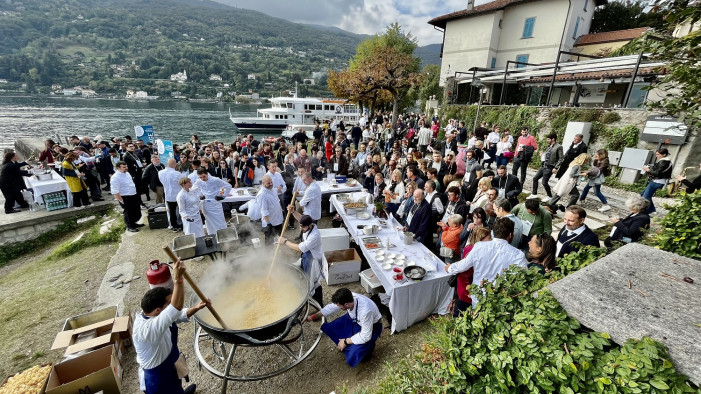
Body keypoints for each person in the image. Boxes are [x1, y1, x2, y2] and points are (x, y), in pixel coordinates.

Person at [133, 258, 209, 394]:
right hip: (158, 378)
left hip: (169, 364)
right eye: (167, 304)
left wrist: (197, 307)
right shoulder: (147, 330)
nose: (169, 306)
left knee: (176, 386)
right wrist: (178, 279)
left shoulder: (154, 315)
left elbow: (178, 314)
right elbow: (175, 308)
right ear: (158, 310)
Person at [445, 217, 528, 305]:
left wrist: (450, 268)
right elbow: (524, 278)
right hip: (502, 300)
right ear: (511, 235)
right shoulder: (518, 255)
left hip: (479, 297)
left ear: (493, 233)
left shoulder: (479, 246)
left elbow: (464, 265)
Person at [307, 288, 382, 368]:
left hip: (371, 327)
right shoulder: (349, 297)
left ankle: (368, 349)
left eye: (339, 305)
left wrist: (346, 341)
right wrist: (312, 317)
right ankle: (347, 346)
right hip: (354, 320)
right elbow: (331, 307)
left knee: (355, 353)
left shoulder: (365, 311)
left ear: (346, 305)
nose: (338, 307)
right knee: (332, 328)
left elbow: (366, 336)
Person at [278, 214, 323, 306]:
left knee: (314, 283)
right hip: (306, 256)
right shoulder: (308, 224)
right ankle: (307, 298)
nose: (301, 229)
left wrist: (285, 241)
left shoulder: (314, 236)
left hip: (313, 260)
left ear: (310, 225)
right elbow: (300, 218)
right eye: (300, 226)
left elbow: (299, 248)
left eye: (303, 227)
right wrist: (293, 211)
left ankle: (319, 305)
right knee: (305, 278)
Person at [452, 227, 491, 316]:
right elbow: (465, 268)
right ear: (481, 238)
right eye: (489, 238)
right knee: (462, 307)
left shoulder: (470, 247)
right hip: (468, 285)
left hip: (465, 284)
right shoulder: (474, 250)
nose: (491, 240)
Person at [193, 168, 231, 235]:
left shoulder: (215, 179)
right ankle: (212, 235)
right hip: (205, 204)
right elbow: (194, 189)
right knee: (208, 222)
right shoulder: (198, 181)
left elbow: (228, 186)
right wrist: (200, 195)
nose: (202, 178)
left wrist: (222, 195)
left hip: (215, 203)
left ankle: (223, 235)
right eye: (200, 177)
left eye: (204, 176)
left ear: (207, 174)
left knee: (220, 220)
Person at [111, 161, 143, 232]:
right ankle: (130, 226)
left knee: (137, 211)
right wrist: (121, 200)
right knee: (128, 213)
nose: (126, 168)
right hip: (125, 197)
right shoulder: (115, 177)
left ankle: (134, 223)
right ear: (118, 168)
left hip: (133, 194)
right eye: (124, 167)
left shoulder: (127, 173)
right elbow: (115, 191)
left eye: (126, 167)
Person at [641, 148, 673, 214]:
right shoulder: (664, 161)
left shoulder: (664, 162)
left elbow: (657, 173)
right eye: (656, 154)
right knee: (643, 194)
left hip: (658, 181)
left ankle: (645, 212)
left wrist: (648, 170)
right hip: (657, 181)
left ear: (664, 154)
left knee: (645, 197)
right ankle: (651, 210)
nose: (657, 156)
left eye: (658, 154)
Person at [531, 133, 563, 199]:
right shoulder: (549, 146)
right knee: (535, 178)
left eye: (548, 139)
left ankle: (549, 196)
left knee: (544, 182)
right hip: (544, 166)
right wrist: (543, 154)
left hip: (550, 166)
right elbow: (548, 154)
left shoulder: (559, 147)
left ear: (553, 139)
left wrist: (556, 167)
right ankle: (534, 194)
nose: (547, 140)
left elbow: (561, 158)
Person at [259, 174, 284, 245]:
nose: (270, 184)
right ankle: (268, 254)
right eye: (268, 183)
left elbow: (276, 190)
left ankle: (278, 252)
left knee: (278, 239)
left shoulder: (272, 189)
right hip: (270, 222)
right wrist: (268, 224)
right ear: (263, 183)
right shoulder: (262, 195)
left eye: (271, 182)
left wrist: (281, 186)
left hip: (278, 220)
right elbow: (264, 210)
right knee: (269, 241)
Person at [159, 159, 183, 232]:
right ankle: (179, 224)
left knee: (171, 212)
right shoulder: (177, 174)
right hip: (178, 194)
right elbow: (181, 183)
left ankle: (173, 225)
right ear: (175, 165)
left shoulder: (160, 172)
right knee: (181, 210)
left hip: (168, 195)